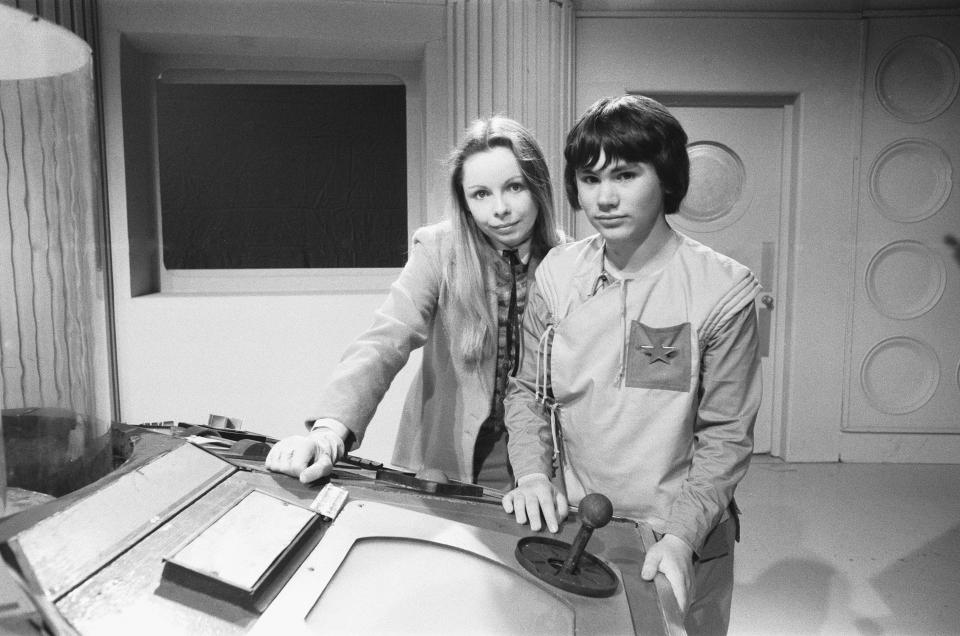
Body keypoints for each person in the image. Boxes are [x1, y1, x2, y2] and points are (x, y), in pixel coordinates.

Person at [500, 94, 760, 635]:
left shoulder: (722, 291)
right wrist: (529, 474)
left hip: (680, 537)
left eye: (625, 175)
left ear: (666, 178)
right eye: (590, 179)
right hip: (579, 526)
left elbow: (726, 435)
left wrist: (683, 538)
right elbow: (527, 390)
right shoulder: (557, 275)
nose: (605, 197)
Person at [265, 116, 563, 491]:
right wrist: (328, 432)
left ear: (539, 187)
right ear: (465, 202)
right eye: (481, 194)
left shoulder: (567, 263)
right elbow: (385, 340)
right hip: (445, 460)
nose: (499, 208)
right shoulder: (439, 249)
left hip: (541, 466)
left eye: (514, 187)